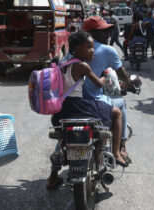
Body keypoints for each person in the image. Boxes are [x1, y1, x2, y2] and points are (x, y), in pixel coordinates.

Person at [47, 31, 127, 189]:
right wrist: (106, 76)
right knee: (117, 113)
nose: (92, 51)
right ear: (76, 49)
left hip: (62, 111)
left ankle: (53, 173)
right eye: (88, 47)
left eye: (92, 47)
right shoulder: (83, 65)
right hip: (78, 107)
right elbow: (98, 83)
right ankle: (117, 152)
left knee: (64, 139)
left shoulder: (63, 63)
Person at [82, 16, 135, 163]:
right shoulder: (106, 50)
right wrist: (130, 84)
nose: (108, 34)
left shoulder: (72, 54)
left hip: (72, 104)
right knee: (120, 106)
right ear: (91, 34)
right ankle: (119, 149)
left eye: (107, 31)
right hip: (94, 103)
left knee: (64, 134)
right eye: (103, 31)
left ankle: (53, 172)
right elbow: (121, 73)